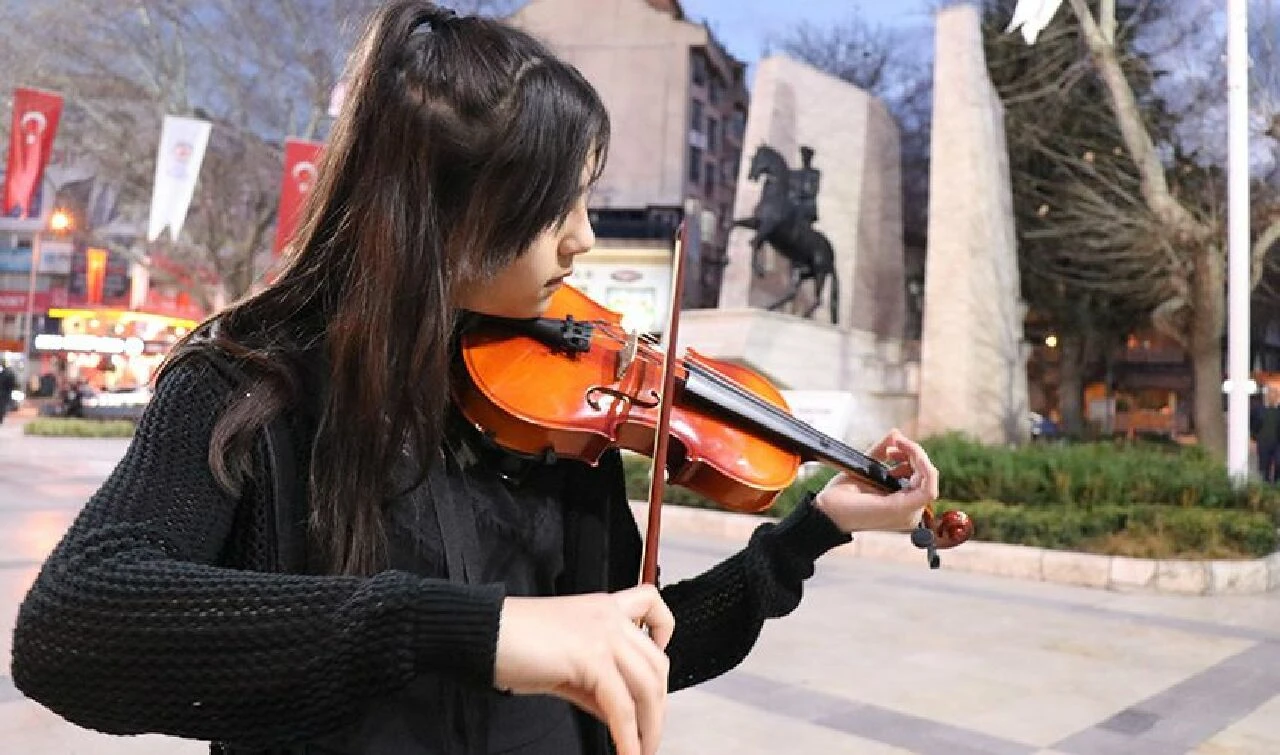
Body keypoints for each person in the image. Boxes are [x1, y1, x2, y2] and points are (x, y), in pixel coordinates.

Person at [9, 3, 940, 754]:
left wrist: (811, 532)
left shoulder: (554, 411)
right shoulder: (249, 385)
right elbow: (73, 629)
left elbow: (629, 645)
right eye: (556, 206)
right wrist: (466, 627)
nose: (582, 239)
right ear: (445, 214)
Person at [1251, 383, 1280, 482]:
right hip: (1263, 442)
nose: (1272, 396)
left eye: (1274, 394)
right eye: (1270, 394)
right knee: (1265, 467)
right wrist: (1253, 439)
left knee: (1278, 462)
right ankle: (1266, 485)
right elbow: (1253, 424)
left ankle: (1276, 482)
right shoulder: (1258, 410)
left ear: (1277, 397)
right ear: (1267, 396)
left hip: (1277, 442)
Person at [789, 145, 821, 226]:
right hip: (794, 207)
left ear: (810, 159)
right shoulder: (795, 173)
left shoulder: (815, 173)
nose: (805, 159)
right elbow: (790, 189)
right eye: (803, 157)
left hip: (807, 207)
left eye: (807, 157)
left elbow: (813, 190)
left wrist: (798, 193)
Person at [0, 359, 15, 423]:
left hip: (3, 392)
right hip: (6, 392)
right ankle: (1, 418)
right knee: (3, 405)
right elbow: (12, 384)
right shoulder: (9, 372)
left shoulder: (4, 373)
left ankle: (1, 418)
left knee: (2, 405)